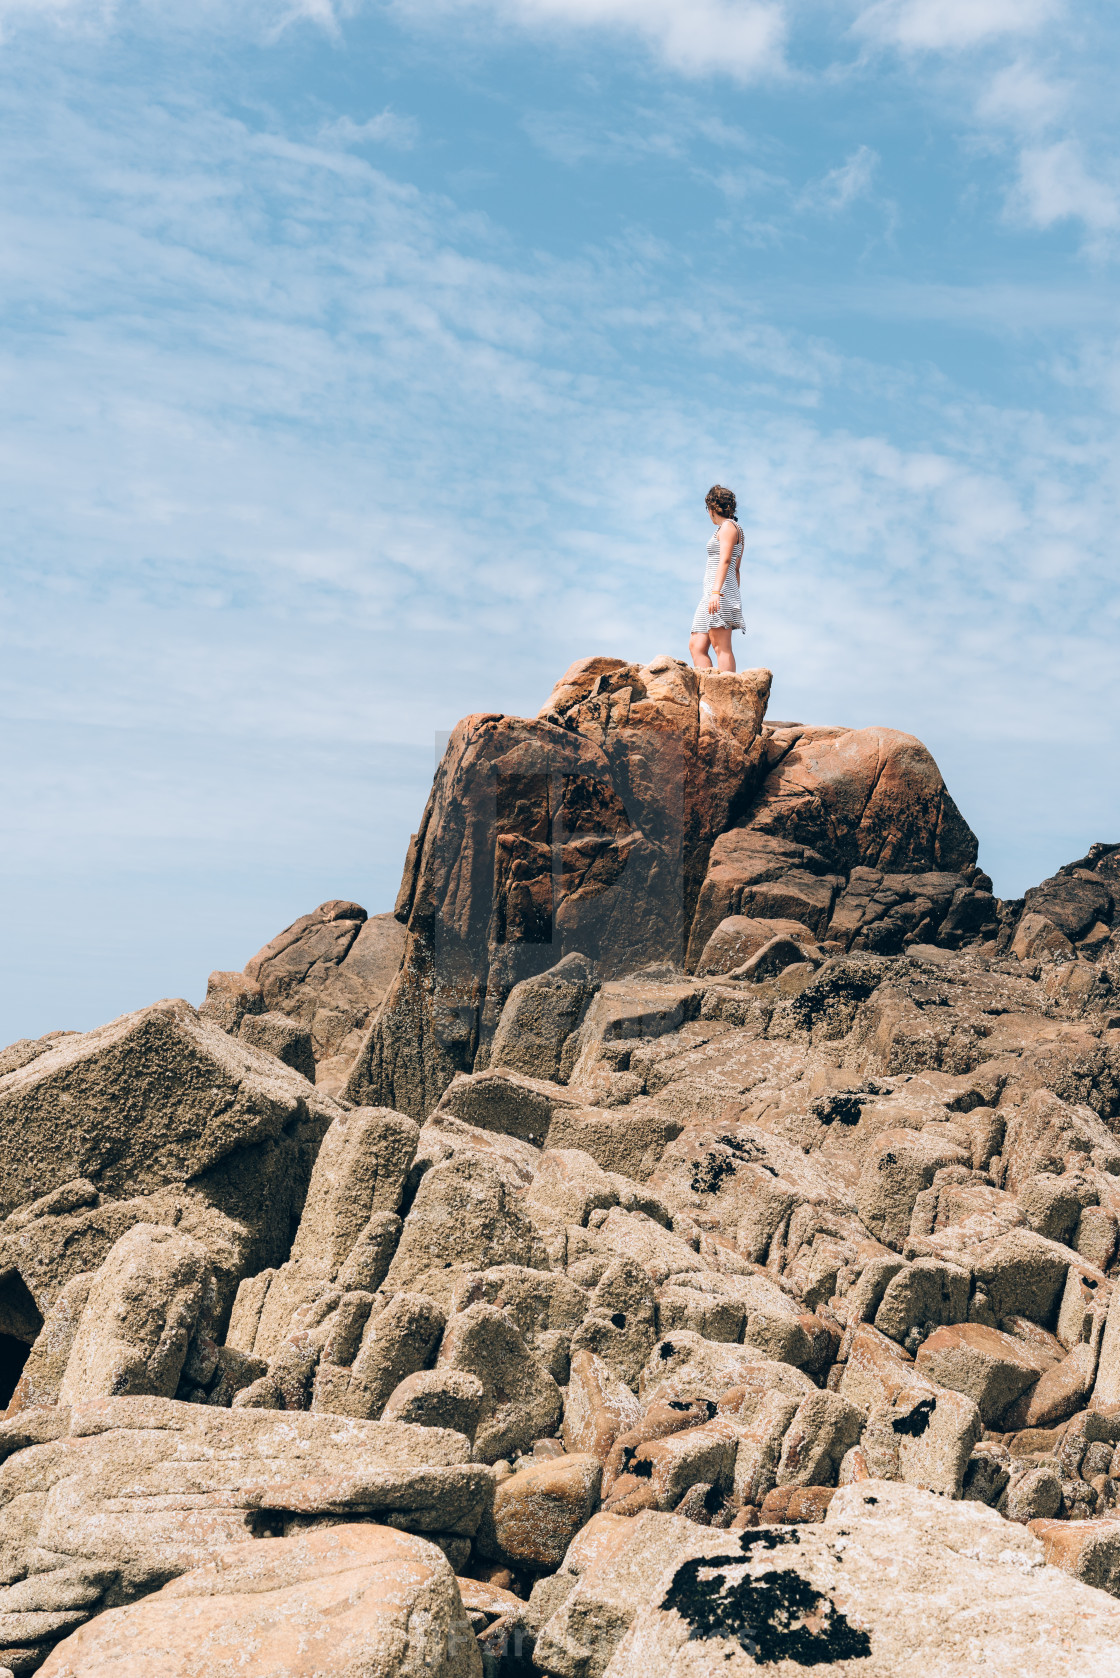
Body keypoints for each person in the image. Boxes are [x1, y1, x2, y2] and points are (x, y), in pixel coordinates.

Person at [689, 484, 744, 672]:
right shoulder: (724, 528)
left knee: (721, 645)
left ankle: (726, 691)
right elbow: (737, 569)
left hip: (718, 593)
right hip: (712, 593)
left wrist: (717, 593)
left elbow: (727, 561)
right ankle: (708, 688)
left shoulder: (729, 527)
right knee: (696, 645)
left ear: (712, 508)